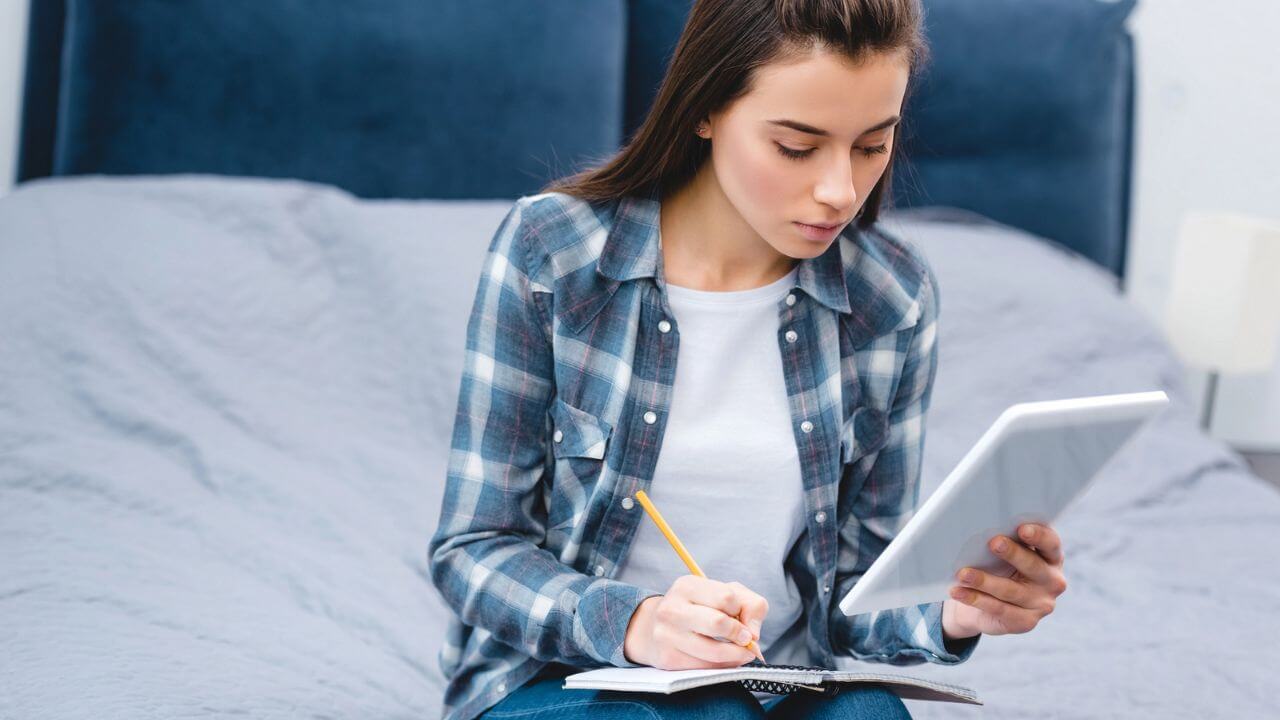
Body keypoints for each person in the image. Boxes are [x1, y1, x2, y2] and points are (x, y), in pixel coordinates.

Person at [428, 0, 1069, 718]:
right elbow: (474, 550)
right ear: (704, 109)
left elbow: (853, 598)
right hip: (562, 678)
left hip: (778, 680)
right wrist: (636, 624)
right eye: (797, 147)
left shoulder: (891, 296)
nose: (840, 192)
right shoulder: (553, 252)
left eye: (870, 146)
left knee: (870, 714)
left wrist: (959, 609)